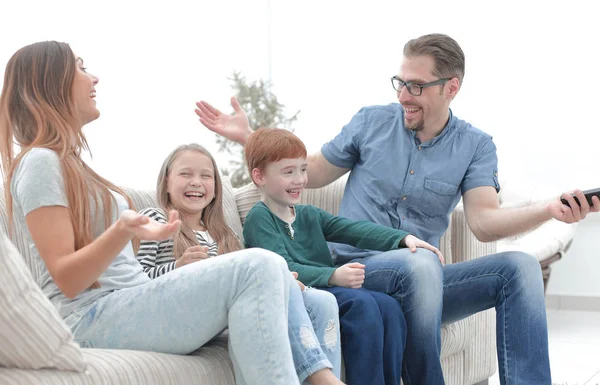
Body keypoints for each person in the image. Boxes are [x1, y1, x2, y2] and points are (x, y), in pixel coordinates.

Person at [195, 33, 600, 385]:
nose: (403, 96)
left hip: (425, 281)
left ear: (451, 87)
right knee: (420, 260)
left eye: (417, 86)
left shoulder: (475, 146)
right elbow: (310, 172)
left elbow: (485, 222)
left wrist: (549, 210)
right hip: (357, 273)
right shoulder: (371, 122)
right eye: (400, 83)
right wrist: (251, 138)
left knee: (519, 268)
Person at [0, 41, 310, 385]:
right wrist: (122, 231)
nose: (94, 78)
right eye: (82, 67)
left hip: (124, 301)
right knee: (260, 265)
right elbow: (67, 279)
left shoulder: (70, 164)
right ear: (51, 82)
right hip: (88, 316)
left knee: (292, 285)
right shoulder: (40, 161)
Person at [241, 127, 445, 385]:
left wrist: (402, 238)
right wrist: (333, 275)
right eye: (288, 172)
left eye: (302, 169)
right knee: (363, 307)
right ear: (259, 176)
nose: (299, 180)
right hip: (305, 295)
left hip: (329, 290)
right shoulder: (259, 218)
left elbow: (352, 230)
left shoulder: (309, 214)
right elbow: (282, 268)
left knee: (390, 307)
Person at [136, 143, 343, 385]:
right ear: (166, 182)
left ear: (215, 189)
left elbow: (252, 280)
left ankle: (327, 376)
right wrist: (176, 267)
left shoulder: (226, 233)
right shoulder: (155, 218)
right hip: (187, 313)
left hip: (231, 313)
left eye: (206, 176)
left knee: (322, 300)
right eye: (185, 174)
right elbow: (137, 281)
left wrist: (282, 283)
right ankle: (323, 378)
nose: (196, 182)